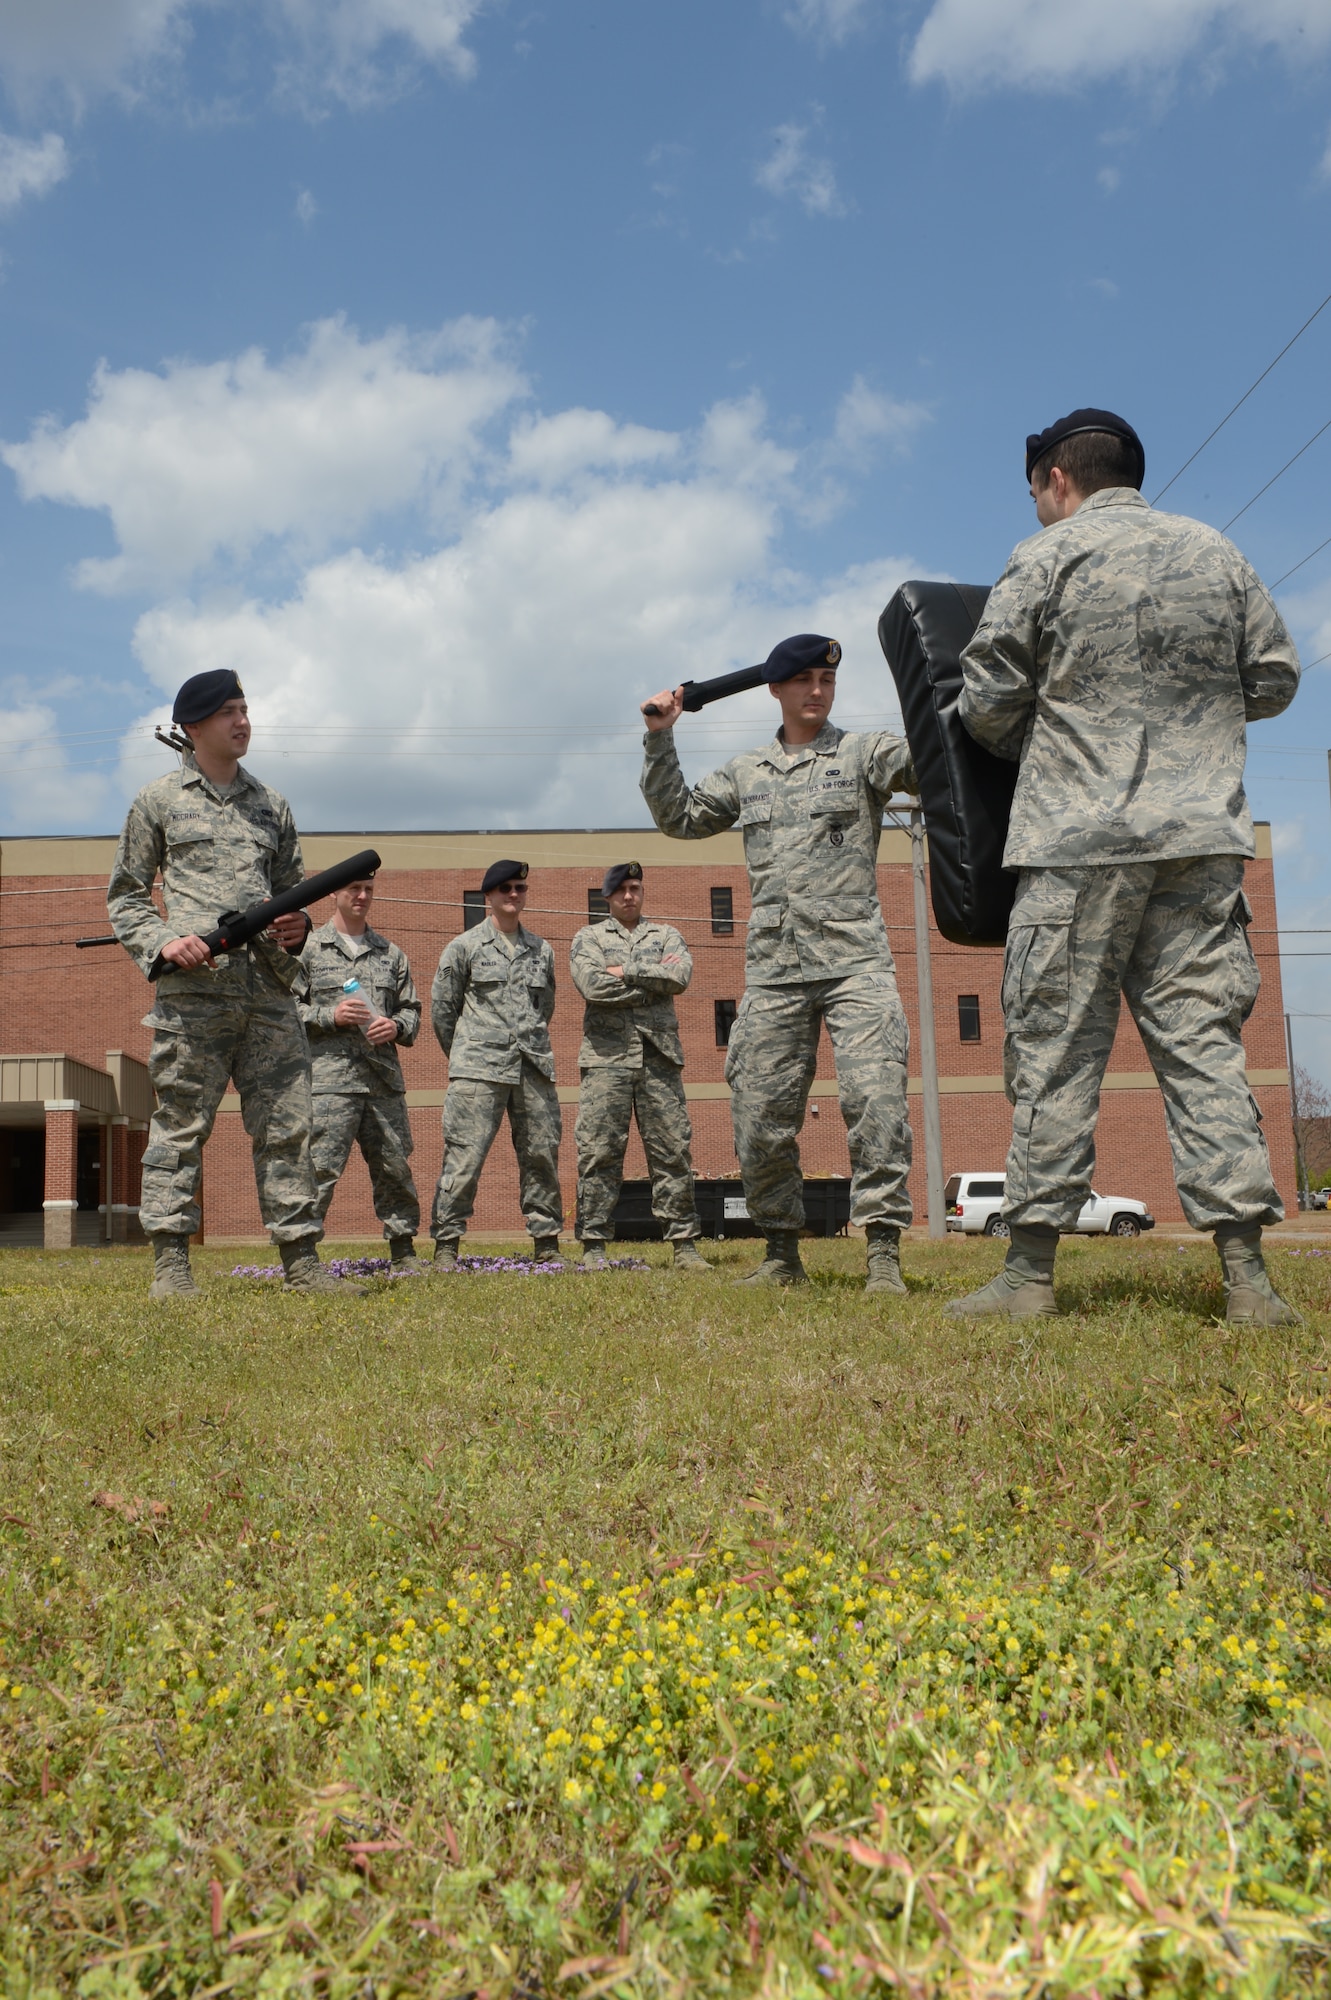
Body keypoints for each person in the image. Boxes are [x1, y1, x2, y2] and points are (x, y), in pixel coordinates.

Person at [948, 407, 1302, 1324]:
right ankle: (1247, 1283)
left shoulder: (1046, 557)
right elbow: (1273, 676)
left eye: (1035, 492)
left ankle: (1027, 1276)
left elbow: (983, 703)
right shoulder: (1214, 550)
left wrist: (1068, 730)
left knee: (1055, 1048)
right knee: (1202, 1047)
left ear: (1056, 479)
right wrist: (1191, 723)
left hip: (1078, 843)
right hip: (1198, 844)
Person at [640, 635, 918, 1291]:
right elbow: (679, 819)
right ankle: (780, 1255)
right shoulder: (748, 771)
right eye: (802, 682)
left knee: (875, 1105)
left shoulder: (863, 753)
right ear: (776, 688)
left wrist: (941, 704)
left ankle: (881, 1253)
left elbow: (928, 764)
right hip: (775, 970)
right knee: (759, 1115)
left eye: (825, 682)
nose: (816, 692)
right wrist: (659, 736)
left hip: (856, 964)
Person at [107, 670, 362, 1299]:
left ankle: (301, 1265)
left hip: (270, 993)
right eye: (228, 713)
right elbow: (127, 897)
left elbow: (293, 895)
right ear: (193, 728)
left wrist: (298, 927)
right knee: (181, 1124)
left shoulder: (271, 805)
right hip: (195, 993)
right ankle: (171, 1264)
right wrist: (163, 942)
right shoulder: (157, 801)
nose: (242, 722)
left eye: (246, 709)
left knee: (287, 1125)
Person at [571, 861, 710, 1271]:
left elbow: (681, 975)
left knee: (671, 1150)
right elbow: (592, 985)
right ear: (608, 897)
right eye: (621, 890)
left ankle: (684, 1245)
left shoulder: (666, 934)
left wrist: (626, 970)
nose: (629, 895)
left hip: (659, 1059)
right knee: (599, 1151)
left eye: (635, 888)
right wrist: (652, 982)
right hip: (606, 1060)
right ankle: (594, 1244)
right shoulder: (588, 937)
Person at [429, 860, 564, 1265]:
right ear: (488, 896)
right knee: (465, 1157)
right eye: (505, 888)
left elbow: (546, 1007)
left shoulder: (542, 950)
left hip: (533, 1069)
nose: (513, 895)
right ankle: (447, 1245)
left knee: (542, 1155)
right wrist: (471, 1051)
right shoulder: (464, 947)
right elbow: (443, 1011)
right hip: (478, 1070)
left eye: (520, 888)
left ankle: (547, 1244)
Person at [298, 871, 424, 1270]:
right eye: (354, 888)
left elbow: (413, 1012)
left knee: (394, 1167)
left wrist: (397, 1026)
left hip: (382, 1082)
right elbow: (285, 1012)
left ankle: (403, 1250)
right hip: (329, 1081)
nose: (363, 896)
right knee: (319, 1168)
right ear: (334, 892)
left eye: (369, 889)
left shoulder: (391, 953)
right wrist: (330, 1015)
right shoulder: (310, 950)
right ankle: (303, 1255)